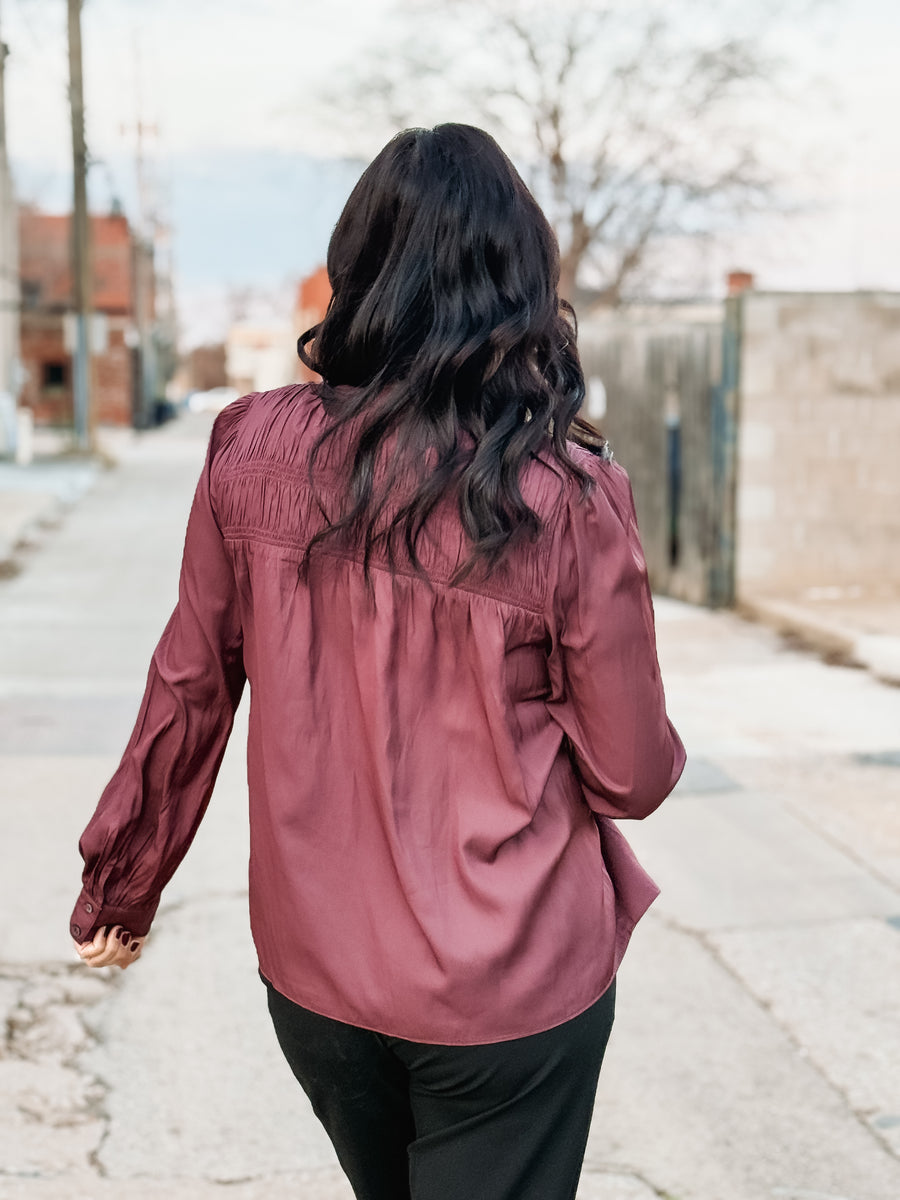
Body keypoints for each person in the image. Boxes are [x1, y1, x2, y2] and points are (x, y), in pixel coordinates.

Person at [71, 123, 685, 1200]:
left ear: (356, 271)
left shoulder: (246, 447)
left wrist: (127, 879)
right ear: (519, 285)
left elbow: (191, 683)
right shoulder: (569, 497)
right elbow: (632, 775)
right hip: (508, 990)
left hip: (317, 982)